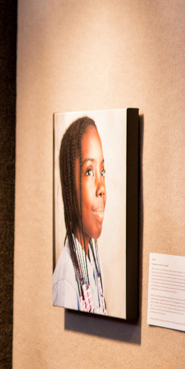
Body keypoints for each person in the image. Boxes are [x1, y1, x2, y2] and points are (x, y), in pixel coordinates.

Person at [52, 116, 107, 314]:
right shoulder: (66, 280)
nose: (101, 187)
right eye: (89, 171)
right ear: (70, 187)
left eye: (102, 171)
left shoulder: (91, 253)